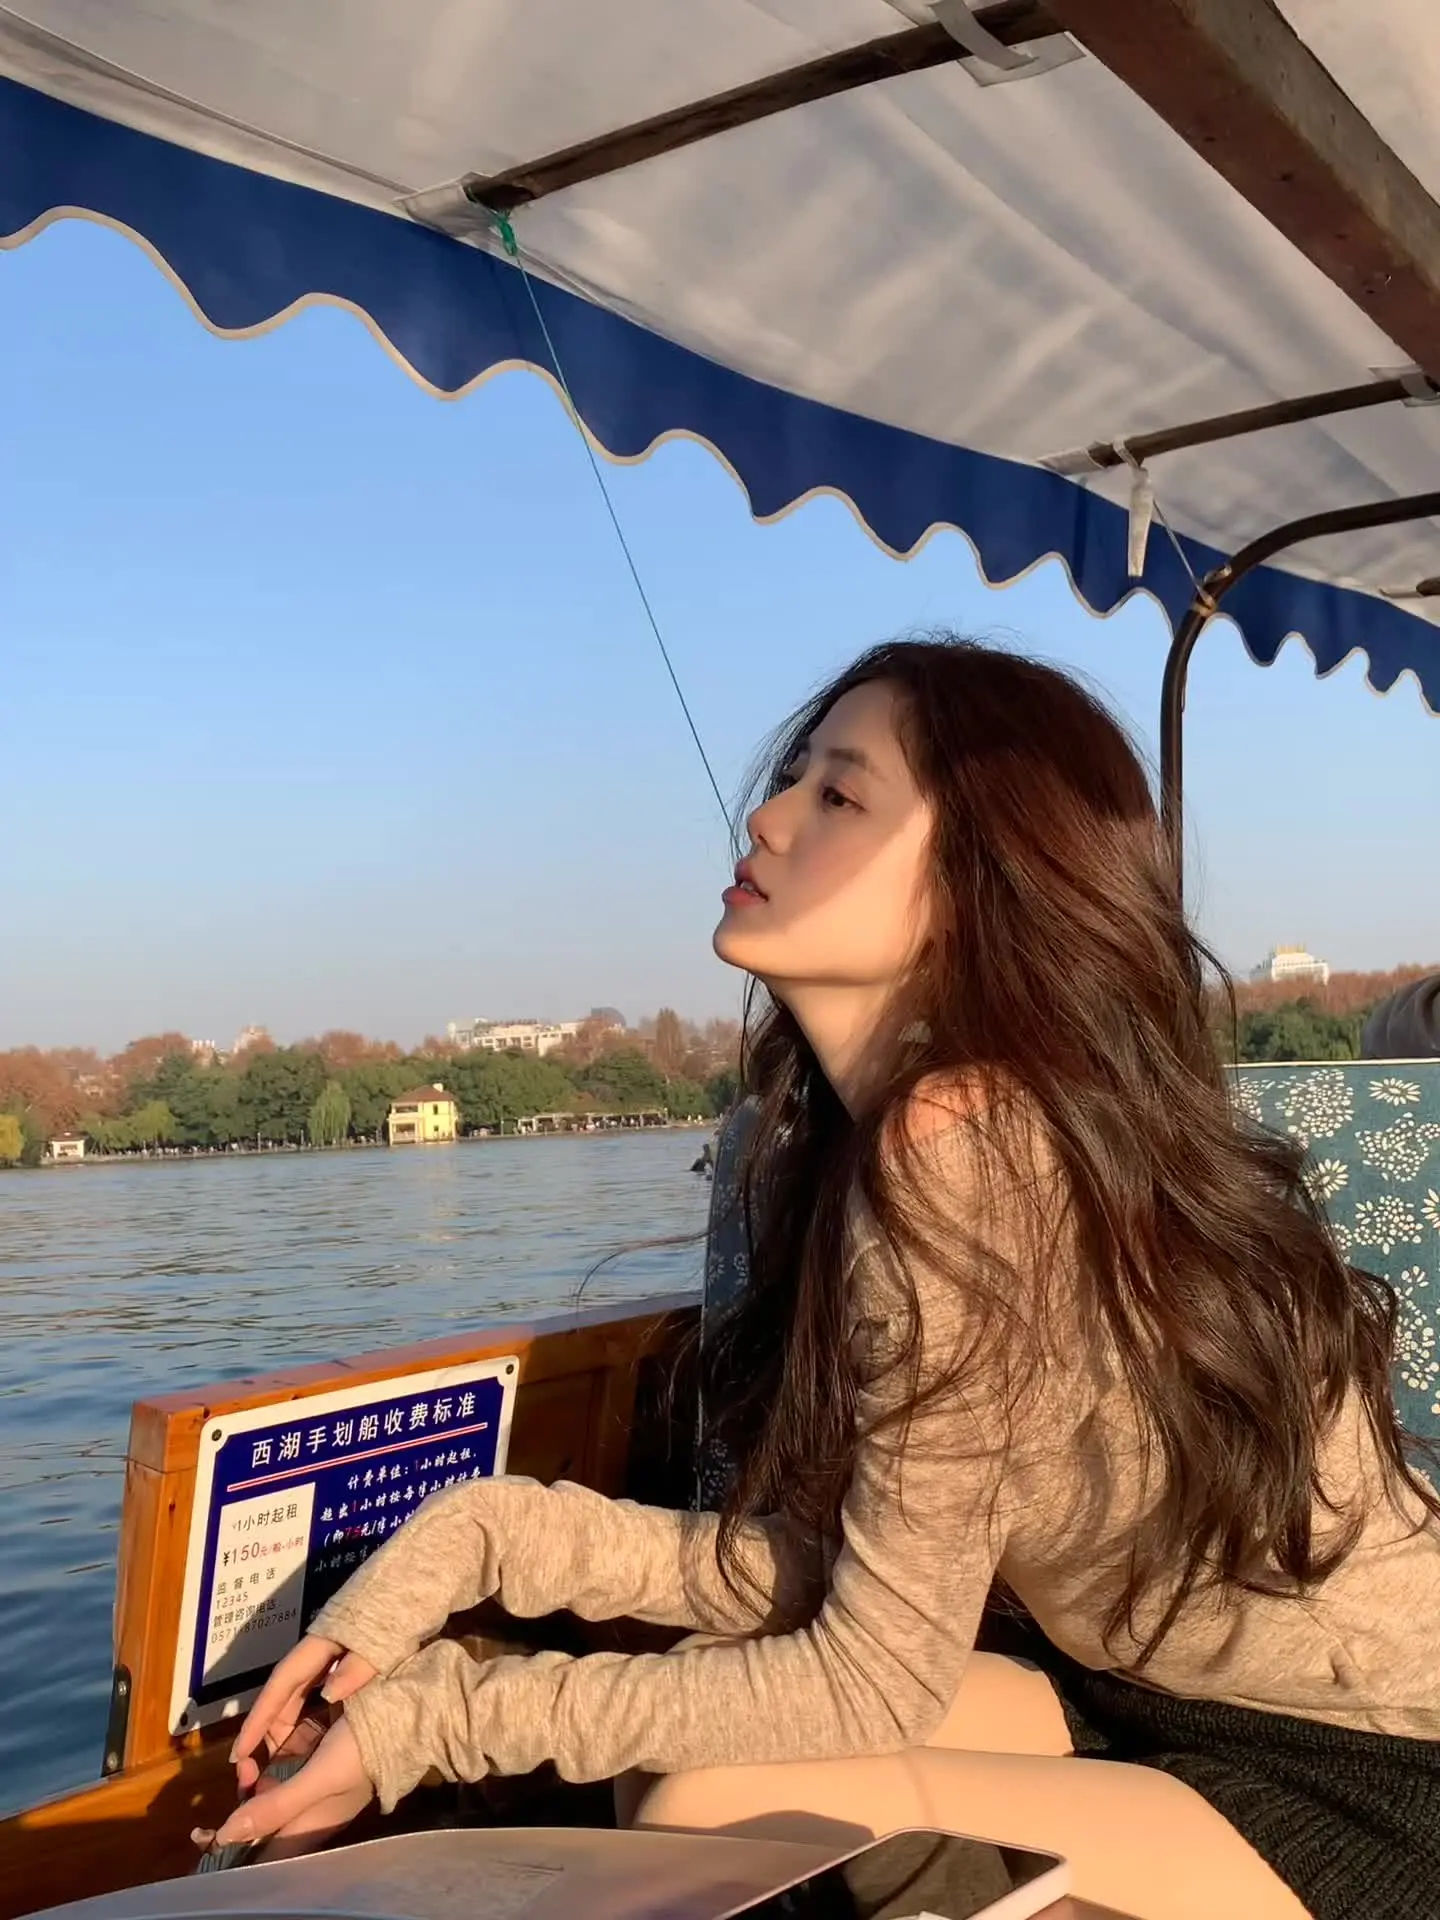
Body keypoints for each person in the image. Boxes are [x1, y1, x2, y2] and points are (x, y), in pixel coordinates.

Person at [200, 637, 1440, 1920]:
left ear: (983, 879)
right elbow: (826, 1573)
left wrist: (446, 1724)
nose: (771, 815)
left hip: (1377, 1764)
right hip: (1142, 1694)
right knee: (692, 1752)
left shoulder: (968, 1144)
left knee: (711, 1816)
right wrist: (476, 1539)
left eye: (839, 794)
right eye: (794, 777)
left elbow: (873, 1677)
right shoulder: (866, 1149)